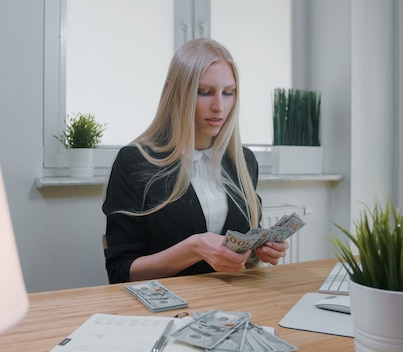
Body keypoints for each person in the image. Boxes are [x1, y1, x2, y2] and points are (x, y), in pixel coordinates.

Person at [102, 38, 289, 284]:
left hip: (231, 304)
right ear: (174, 92)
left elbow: (240, 255)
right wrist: (193, 248)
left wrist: (259, 250)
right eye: (204, 92)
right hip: (166, 311)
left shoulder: (244, 161)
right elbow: (120, 271)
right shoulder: (134, 162)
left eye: (228, 93)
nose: (219, 107)